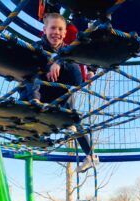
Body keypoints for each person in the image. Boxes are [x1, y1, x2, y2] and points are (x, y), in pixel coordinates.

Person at [19, 13, 97, 173]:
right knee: (31, 69)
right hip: (37, 92)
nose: (57, 32)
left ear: (65, 32)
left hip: (59, 95)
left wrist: (60, 62)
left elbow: (77, 77)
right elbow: (28, 73)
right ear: (45, 30)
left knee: (73, 117)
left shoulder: (67, 50)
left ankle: (90, 155)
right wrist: (50, 65)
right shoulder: (37, 46)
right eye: (53, 28)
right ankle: (34, 113)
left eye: (60, 29)